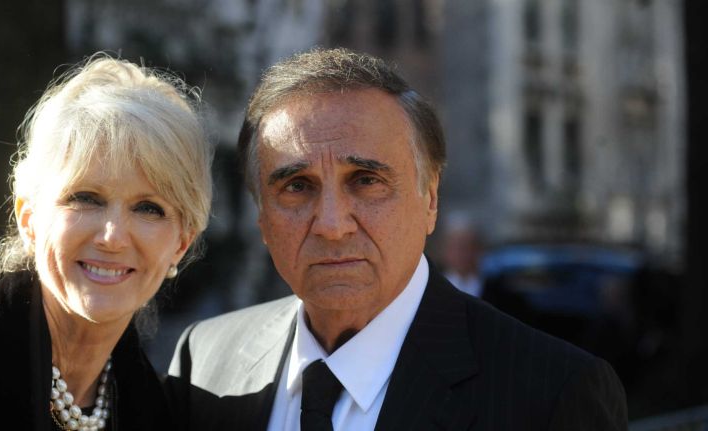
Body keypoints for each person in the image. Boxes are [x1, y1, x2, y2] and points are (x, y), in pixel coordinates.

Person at [167, 48, 627, 430]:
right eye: (297, 187)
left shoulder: (551, 392)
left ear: (430, 198)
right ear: (261, 218)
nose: (331, 224)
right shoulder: (205, 361)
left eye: (366, 181)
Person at [0, 54, 212, 430]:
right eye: (85, 198)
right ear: (29, 217)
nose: (113, 237)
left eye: (148, 208)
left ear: (182, 242)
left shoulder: (161, 412)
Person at [440, 213, 485, 298]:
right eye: (455, 247)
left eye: (468, 247)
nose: (461, 254)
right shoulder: (433, 288)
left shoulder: (499, 291)